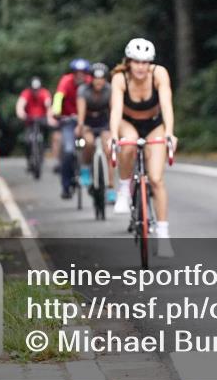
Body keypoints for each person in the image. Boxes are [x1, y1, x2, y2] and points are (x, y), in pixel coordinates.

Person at [109, 38, 178, 255]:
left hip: (154, 124)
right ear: (128, 62)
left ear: (150, 63)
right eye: (136, 62)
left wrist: (169, 133)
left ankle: (163, 235)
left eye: (145, 62)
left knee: (156, 179)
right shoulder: (120, 78)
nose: (141, 67)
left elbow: (166, 105)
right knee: (128, 143)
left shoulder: (159, 74)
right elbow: (116, 110)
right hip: (128, 122)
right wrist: (113, 135)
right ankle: (124, 188)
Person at [50, 58, 91, 199]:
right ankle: (66, 186)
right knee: (68, 151)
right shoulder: (66, 81)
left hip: (86, 121)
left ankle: (93, 176)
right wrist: (56, 111)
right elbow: (58, 97)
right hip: (68, 120)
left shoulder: (90, 82)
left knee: (91, 145)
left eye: (83, 73)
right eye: (77, 73)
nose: (80, 76)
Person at [76, 62, 113, 200]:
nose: (99, 81)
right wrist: (80, 126)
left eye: (102, 78)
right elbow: (81, 111)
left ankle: (110, 187)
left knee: (109, 149)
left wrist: (114, 128)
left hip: (104, 122)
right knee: (89, 142)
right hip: (88, 122)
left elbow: (113, 110)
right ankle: (85, 169)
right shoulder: (83, 90)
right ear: (91, 79)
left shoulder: (110, 90)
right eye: (96, 78)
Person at [16, 77, 51, 170]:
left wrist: (49, 116)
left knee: (45, 134)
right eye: (34, 90)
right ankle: (29, 159)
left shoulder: (44, 93)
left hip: (42, 119)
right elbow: (20, 105)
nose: (36, 92)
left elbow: (48, 105)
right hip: (30, 120)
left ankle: (43, 151)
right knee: (27, 141)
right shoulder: (26, 93)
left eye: (37, 89)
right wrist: (21, 114)